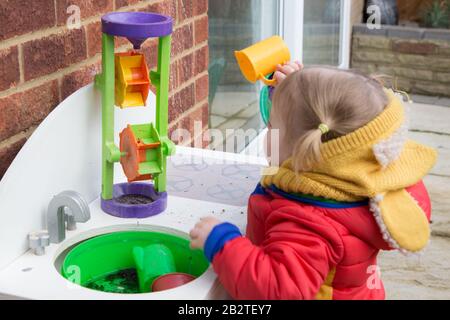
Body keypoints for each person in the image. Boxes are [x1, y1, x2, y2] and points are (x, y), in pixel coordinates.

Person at [189, 62, 437, 300]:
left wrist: (221, 242)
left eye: (272, 125)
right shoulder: (358, 175)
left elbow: (277, 288)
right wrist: (292, 97)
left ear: (304, 153)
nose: (267, 128)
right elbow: (322, 121)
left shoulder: (308, 223)